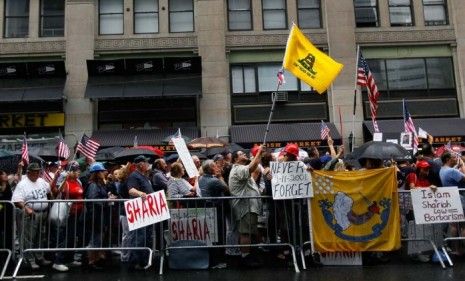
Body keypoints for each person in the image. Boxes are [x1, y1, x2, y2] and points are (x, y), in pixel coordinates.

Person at [11, 163, 52, 269]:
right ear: (28, 172)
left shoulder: (41, 181)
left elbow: (49, 190)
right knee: (28, 238)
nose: (37, 173)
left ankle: (39, 257)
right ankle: (29, 260)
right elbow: (17, 200)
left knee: (40, 237)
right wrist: (27, 209)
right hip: (29, 214)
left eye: (38, 171)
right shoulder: (22, 184)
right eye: (34, 171)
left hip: (43, 212)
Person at [229, 145, 263, 267]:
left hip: (249, 206)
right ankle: (245, 258)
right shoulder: (238, 169)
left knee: (249, 232)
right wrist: (258, 154)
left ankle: (249, 255)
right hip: (245, 207)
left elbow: (253, 172)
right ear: (235, 159)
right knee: (245, 233)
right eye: (241, 154)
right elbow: (251, 168)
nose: (244, 155)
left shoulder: (241, 169)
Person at [50, 161, 85, 272]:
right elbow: (55, 192)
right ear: (70, 171)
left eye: (78, 170)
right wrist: (56, 178)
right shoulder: (65, 181)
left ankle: (69, 259)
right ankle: (58, 261)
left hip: (77, 214)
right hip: (67, 214)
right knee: (64, 238)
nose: (78, 172)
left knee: (72, 238)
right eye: (75, 170)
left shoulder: (78, 181)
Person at [85, 162, 116, 269]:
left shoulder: (100, 184)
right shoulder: (93, 185)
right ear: (97, 173)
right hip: (95, 215)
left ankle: (96, 259)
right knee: (95, 238)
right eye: (102, 171)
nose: (105, 172)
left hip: (100, 215)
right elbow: (94, 199)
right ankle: (91, 261)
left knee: (98, 238)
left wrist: (107, 197)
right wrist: (107, 200)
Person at [126, 155, 154, 270]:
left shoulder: (144, 176)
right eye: (146, 163)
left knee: (146, 236)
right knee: (138, 236)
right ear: (141, 164)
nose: (148, 165)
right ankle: (135, 262)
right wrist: (140, 193)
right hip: (139, 211)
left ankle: (144, 260)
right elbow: (131, 190)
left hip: (146, 211)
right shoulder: (134, 176)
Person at [439, 152, 465, 256]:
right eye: (454, 157)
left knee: (454, 225)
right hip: (460, 199)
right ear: (448, 159)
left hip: (451, 199)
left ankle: (456, 249)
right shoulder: (452, 171)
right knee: (463, 226)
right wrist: (462, 165)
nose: (456, 159)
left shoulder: (443, 169)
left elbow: (453, 172)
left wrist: (457, 166)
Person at [0, 170, 13, 266]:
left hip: (8, 215)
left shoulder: (8, 185)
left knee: (8, 235)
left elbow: (17, 177)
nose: (5, 175)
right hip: (1, 215)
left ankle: (9, 258)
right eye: (3, 174)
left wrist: (20, 168)